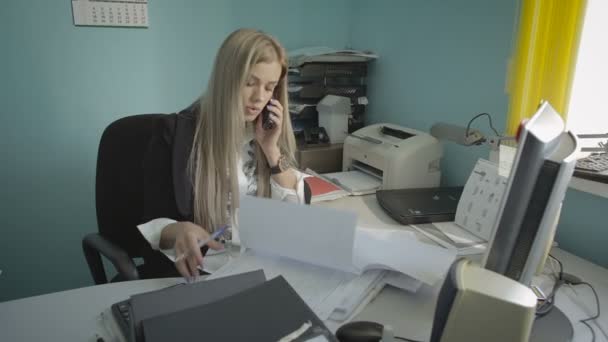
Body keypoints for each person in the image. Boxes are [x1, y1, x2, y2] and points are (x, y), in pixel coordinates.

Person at [136, 28, 306, 280]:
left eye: (269, 88)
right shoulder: (176, 135)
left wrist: (271, 150)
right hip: (203, 272)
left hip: (262, 267)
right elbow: (150, 218)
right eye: (250, 83)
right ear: (227, 78)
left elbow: (295, 213)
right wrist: (179, 229)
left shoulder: (265, 132)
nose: (259, 97)